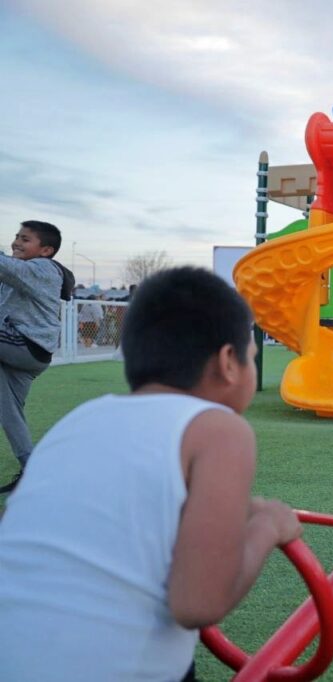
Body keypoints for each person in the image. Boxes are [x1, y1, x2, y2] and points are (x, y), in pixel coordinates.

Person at [0, 266, 302, 680]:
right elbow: (198, 603)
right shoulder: (219, 428)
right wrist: (268, 526)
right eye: (251, 356)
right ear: (229, 362)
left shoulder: (79, 420)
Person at [0, 220, 74, 494]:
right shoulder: (20, 271)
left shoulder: (43, 269)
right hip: (22, 353)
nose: (17, 242)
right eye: (16, 236)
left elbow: (6, 266)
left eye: (26, 239)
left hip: (26, 345)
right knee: (8, 411)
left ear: (46, 250)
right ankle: (31, 469)